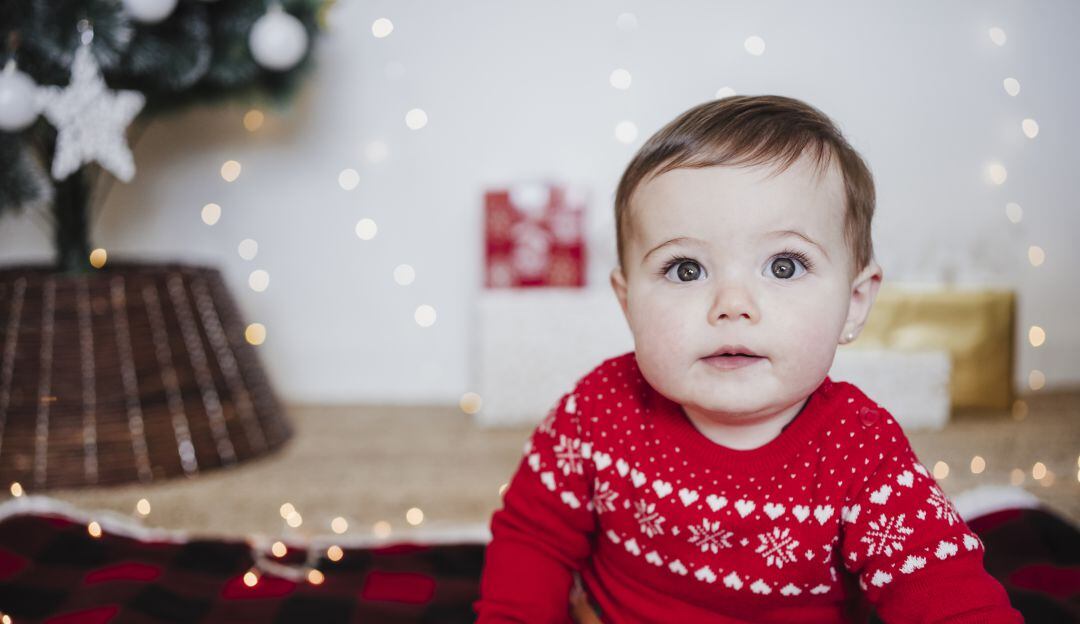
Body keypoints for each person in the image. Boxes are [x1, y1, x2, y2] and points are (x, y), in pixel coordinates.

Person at [474, 95, 1023, 623]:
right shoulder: (598, 410)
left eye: (784, 266)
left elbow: (949, 596)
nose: (732, 305)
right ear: (628, 302)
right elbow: (533, 539)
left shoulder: (862, 455)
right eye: (685, 269)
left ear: (854, 304)